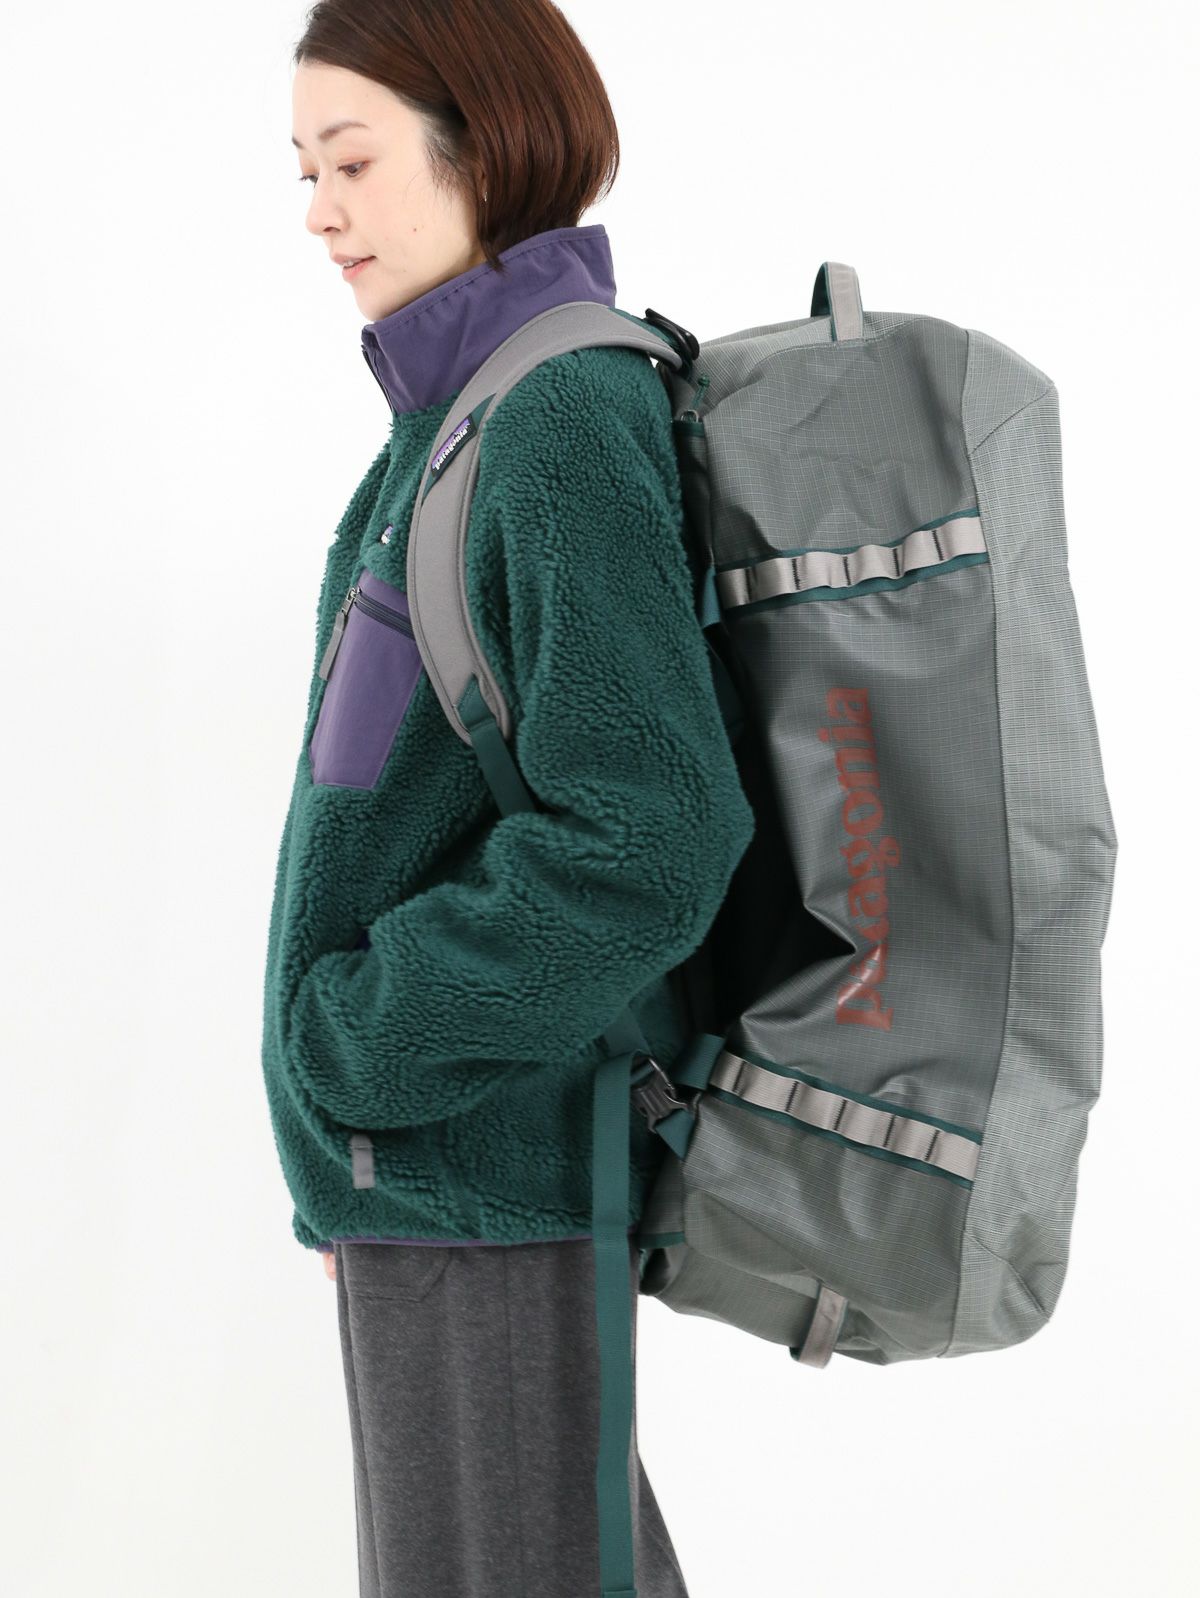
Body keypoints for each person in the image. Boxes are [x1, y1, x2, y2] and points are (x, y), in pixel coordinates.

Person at [268, 3, 755, 1593]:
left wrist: (362, 1041)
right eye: (303, 169)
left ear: (480, 150)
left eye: (352, 162)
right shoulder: (450, 420)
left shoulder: (555, 415)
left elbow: (653, 832)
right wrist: (352, 1108)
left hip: (484, 1167)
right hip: (426, 1177)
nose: (320, 209)